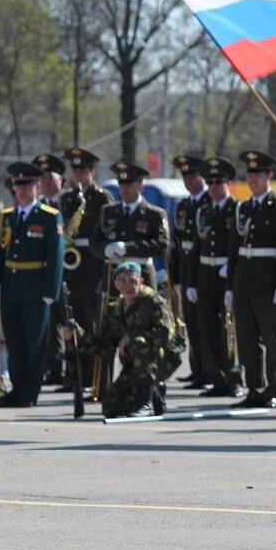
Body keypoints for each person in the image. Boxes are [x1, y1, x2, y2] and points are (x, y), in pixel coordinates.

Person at [226, 150, 276, 409]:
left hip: (267, 283)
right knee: (246, 339)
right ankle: (254, 388)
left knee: (271, 339)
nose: (252, 178)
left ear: (269, 175)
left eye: (258, 174)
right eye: (250, 174)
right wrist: (229, 287)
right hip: (243, 281)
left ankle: (274, 388)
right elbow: (233, 250)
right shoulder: (242, 207)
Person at [0, 162, 63, 408]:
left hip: (36, 291)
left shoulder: (48, 217)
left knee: (36, 344)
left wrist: (49, 292)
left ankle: (30, 392)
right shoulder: (6, 217)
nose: (22, 189)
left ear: (38, 186)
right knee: (14, 343)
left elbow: (55, 257)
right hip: (11, 290)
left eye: (27, 184)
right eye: (18, 184)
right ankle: (17, 388)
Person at [69, 261, 180, 418]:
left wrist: (130, 338)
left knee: (139, 343)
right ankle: (153, 392)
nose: (128, 285)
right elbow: (105, 346)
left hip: (160, 361)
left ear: (141, 281)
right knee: (111, 408)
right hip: (134, 364)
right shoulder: (115, 309)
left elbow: (164, 334)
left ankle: (145, 403)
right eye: (123, 281)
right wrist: (79, 335)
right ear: (116, 284)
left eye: (133, 281)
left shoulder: (154, 302)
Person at [187, 157, 243, 398]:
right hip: (205, 273)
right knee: (207, 327)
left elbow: (240, 246)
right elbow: (193, 249)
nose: (214, 187)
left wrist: (231, 270)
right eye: (210, 182)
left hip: (225, 272)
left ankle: (234, 378)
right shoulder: (204, 211)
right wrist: (190, 281)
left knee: (229, 329)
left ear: (228, 183)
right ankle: (217, 378)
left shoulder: (237, 209)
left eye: (219, 182)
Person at [59, 147, 111, 392]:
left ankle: (93, 376)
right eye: (75, 169)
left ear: (92, 171)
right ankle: (74, 375)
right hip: (72, 266)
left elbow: (106, 238)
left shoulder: (102, 198)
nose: (78, 173)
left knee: (91, 324)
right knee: (72, 322)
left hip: (91, 265)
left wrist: (104, 275)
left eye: (83, 169)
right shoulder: (67, 197)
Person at [91, 161, 169, 290]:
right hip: (113, 276)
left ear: (140, 186)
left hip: (141, 276)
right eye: (121, 185)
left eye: (129, 185)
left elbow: (161, 245)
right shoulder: (107, 211)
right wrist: (104, 248)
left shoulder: (154, 214)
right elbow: (94, 241)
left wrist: (128, 248)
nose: (124, 189)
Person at [170, 155, 212, 390]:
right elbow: (176, 245)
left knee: (206, 325)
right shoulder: (183, 206)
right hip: (186, 270)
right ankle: (196, 370)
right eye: (184, 176)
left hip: (204, 269)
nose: (188, 179)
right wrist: (176, 278)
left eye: (192, 175)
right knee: (191, 324)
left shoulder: (209, 201)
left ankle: (209, 370)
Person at [33, 153, 67, 387]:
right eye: (41, 177)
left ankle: (72, 369)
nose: (45, 181)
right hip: (44, 273)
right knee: (49, 322)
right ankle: (52, 368)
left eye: (50, 177)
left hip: (72, 273)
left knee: (68, 322)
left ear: (61, 180)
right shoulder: (38, 207)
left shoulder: (72, 201)